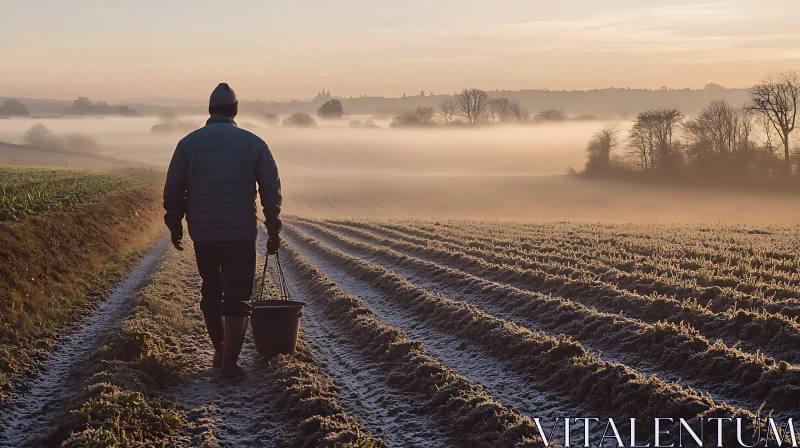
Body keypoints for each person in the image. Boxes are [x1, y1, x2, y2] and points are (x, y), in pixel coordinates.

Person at [163, 83, 282, 379]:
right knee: (238, 294)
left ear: (210, 110)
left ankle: (218, 350)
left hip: (203, 232)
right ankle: (229, 361)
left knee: (211, 290)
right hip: (241, 232)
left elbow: (174, 189)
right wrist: (273, 226)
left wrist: (175, 223)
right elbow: (270, 189)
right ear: (235, 111)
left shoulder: (188, 144)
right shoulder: (254, 143)